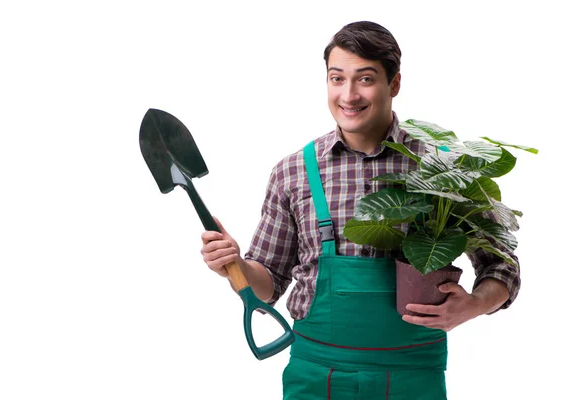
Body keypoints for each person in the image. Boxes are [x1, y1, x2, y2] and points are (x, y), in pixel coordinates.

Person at [200, 20, 520, 399]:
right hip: (316, 376)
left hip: (412, 375)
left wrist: (474, 305)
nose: (348, 95)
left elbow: (502, 265)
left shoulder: (444, 167)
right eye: (337, 79)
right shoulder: (294, 172)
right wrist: (234, 264)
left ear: (394, 84)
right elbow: (269, 282)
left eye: (365, 79)